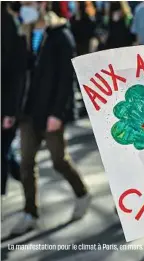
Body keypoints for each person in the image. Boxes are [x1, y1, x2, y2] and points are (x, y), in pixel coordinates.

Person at [10, 1, 90, 235]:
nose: (26, 8)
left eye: (30, 3)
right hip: (27, 112)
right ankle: (30, 213)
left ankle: (82, 193)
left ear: (43, 4)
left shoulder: (60, 35)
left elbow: (66, 79)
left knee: (58, 161)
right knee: (26, 163)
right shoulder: (22, 33)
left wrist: (58, 114)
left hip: (50, 113)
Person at [1, 2, 26, 199]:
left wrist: (10, 110)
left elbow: (16, 73)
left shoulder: (9, 24)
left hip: (5, 105)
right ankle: (23, 175)